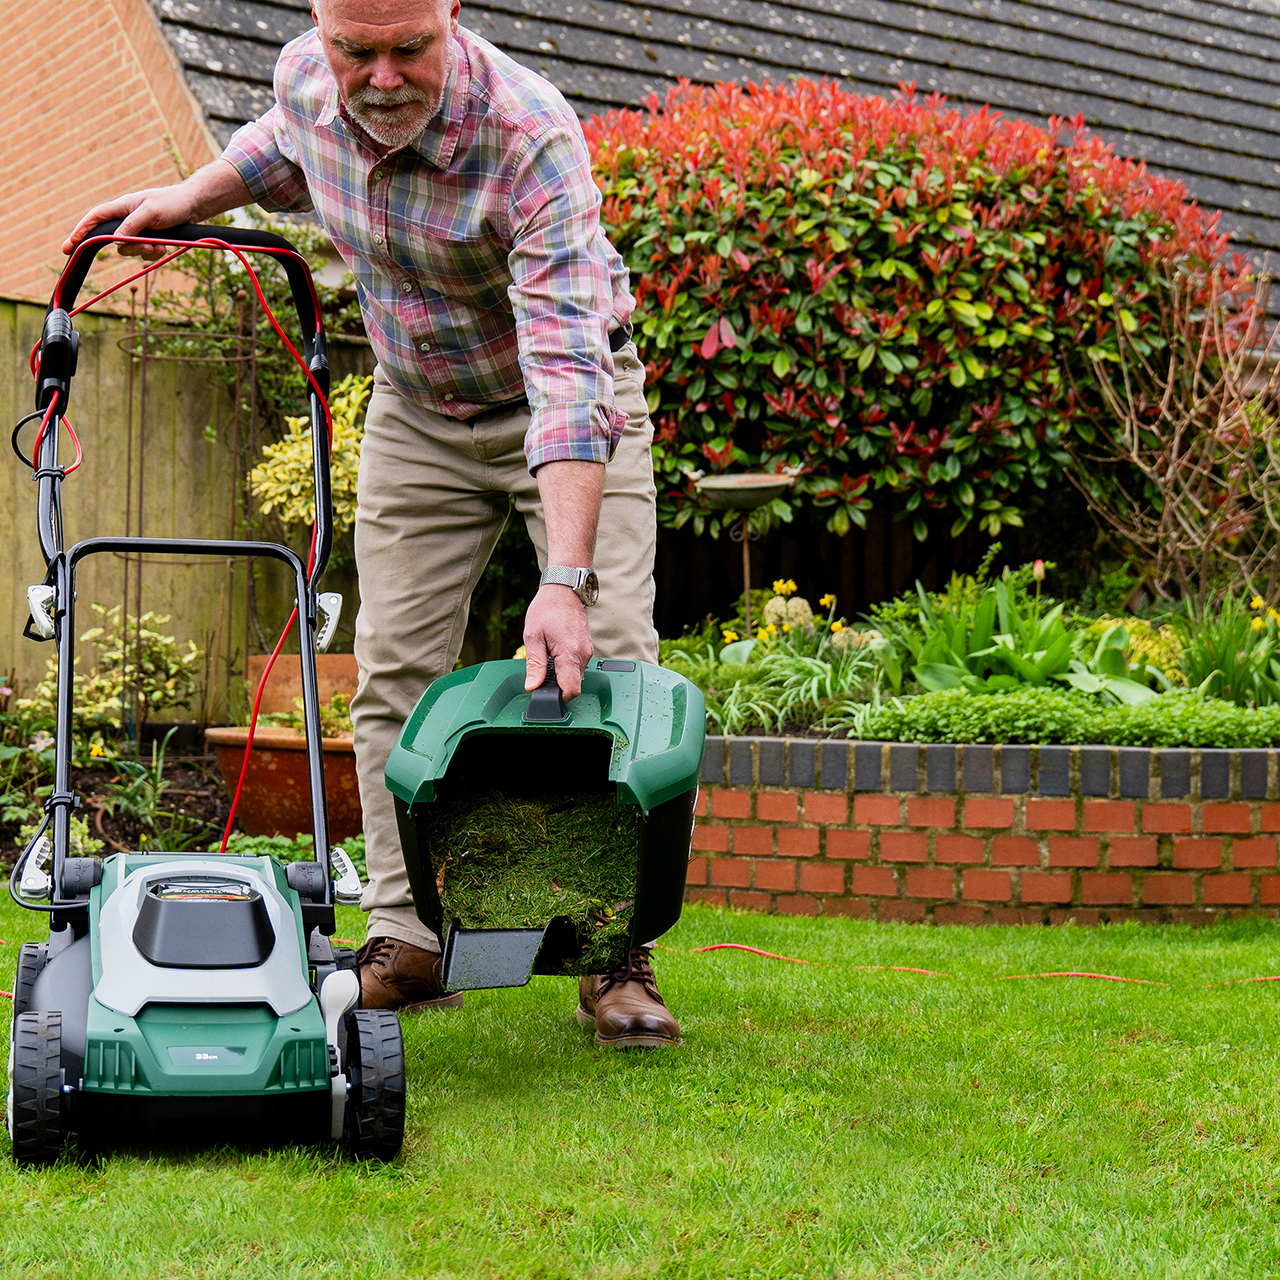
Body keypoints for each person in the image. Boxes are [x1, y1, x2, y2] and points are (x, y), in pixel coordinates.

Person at [63, 0, 680, 1048]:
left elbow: (570, 373)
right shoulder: (309, 74)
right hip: (415, 407)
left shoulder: (530, 137)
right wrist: (189, 194)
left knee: (608, 661)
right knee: (392, 673)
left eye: (409, 48)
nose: (381, 74)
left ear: (451, 15)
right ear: (320, 27)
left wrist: (561, 581)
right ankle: (410, 934)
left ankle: (609, 953)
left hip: (563, 403)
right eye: (357, 50)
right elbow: (279, 145)